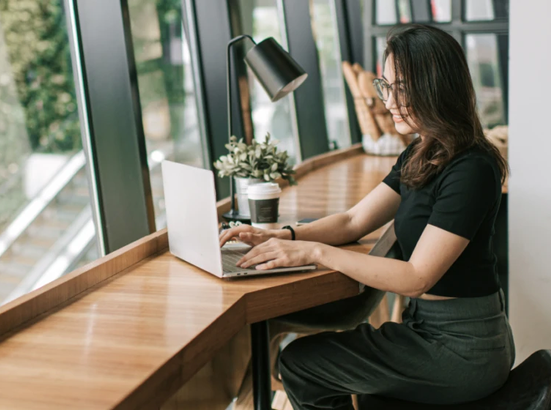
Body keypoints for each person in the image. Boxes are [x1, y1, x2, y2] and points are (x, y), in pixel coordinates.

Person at [219, 24, 513, 410]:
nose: (387, 102)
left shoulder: (472, 167)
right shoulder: (422, 152)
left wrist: (314, 253)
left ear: (436, 86)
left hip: (463, 349)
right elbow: (354, 221)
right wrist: (283, 235)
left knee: (301, 365)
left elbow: (416, 277)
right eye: (385, 87)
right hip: (428, 330)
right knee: (303, 361)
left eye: (401, 89)